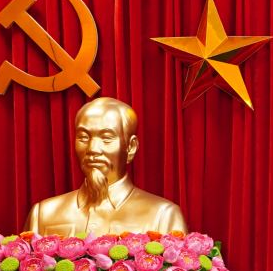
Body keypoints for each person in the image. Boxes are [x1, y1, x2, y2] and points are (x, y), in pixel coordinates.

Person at [26, 96, 188, 236]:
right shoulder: (43, 214)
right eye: (83, 137)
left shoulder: (163, 215)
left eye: (106, 138)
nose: (92, 149)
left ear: (130, 147)